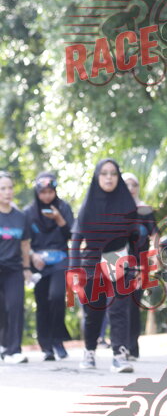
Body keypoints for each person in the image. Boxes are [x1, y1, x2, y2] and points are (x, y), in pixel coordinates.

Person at [70, 159, 139, 373]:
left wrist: (138, 268)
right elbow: (76, 240)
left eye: (113, 173)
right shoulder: (88, 205)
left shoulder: (127, 204)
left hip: (118, 259)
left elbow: (136, 239)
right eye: (104, 173)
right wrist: (74, 270)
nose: (109, 177)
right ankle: (89, 351)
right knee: (93, 311)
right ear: (97, 177)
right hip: (91, 262)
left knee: (119, 309)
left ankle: (119, 355)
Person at [24, 172, 74, 361]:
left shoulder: (63, 207)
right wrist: (32, 255)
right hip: (38, 261)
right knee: (42, 302)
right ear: (37, 193)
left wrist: (59, 219)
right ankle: (46, 346)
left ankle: (57, 340)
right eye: (42, 192)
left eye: (50, 192)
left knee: (57, 296)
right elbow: (23, 241)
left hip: (60, 259)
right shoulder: (29, 212)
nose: (46, 196)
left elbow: (72, 234)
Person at [122, 173, 158, 360]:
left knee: (132, 304)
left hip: (139, 265)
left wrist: (154, 255)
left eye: (134, 185)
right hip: (117, 263)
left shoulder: (144, 210)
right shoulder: (115, 209)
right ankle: (120, 345)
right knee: (119, 305)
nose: (131, 188)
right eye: (126, 185)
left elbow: (155, 235)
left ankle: (131, 347)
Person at [0, 171, 33, 364]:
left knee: (15, 307)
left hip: (14, 270)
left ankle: (14, 351)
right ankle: (3, 344)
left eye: (10, 188)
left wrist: (26, 268)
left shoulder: (21, 217)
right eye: (3, 188)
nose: (8, 192)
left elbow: (25, 244)